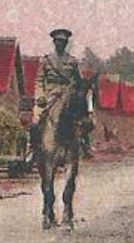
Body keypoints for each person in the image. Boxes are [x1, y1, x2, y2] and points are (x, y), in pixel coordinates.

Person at [33, 28, 94, 157]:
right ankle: (33, 150)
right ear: (54, 42)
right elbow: (39, 80)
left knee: (80, 119)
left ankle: (85, 144)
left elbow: (77, 82)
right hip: (49, 94)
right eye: (58, 41)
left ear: (66, 44)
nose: (60, 44)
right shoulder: (46, 60)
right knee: (36, 120)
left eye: (63, 42)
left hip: (67, 94)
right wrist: (40, 97)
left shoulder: (72, 61)